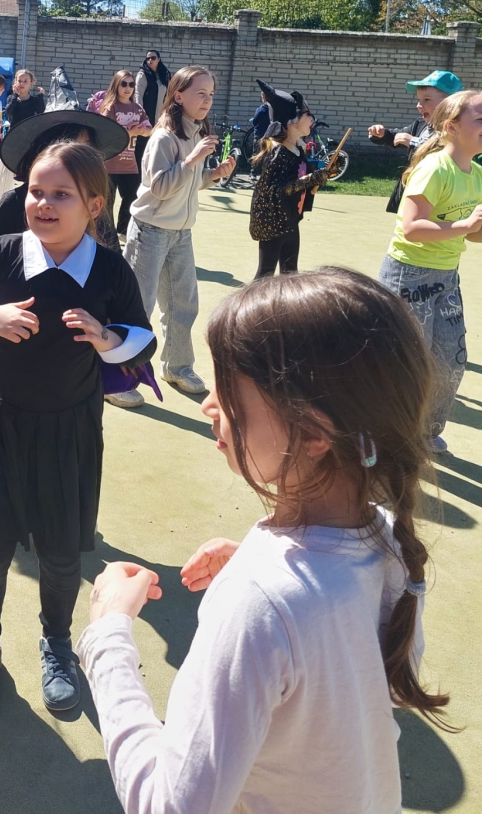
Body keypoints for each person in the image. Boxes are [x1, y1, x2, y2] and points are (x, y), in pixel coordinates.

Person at [78, 267, 449, 814]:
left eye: (228, 393)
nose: (208, 406)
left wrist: (108, 636)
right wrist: (260, 565)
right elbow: (379, 677)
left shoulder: (260, 601)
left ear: (313, 434)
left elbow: (170, 805)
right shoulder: (388, 534)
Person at [0, 141, 156, 726]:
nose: (44, 204)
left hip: (69, 431)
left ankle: (57, 644)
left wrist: (107, 337)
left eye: (62, 195)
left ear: (95, 205)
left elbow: (143, 339)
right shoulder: (2, 253)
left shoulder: (110, 268)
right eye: (36, 191)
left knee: (61, 555)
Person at [120, 67, 235, 407]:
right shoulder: (164, 138)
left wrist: (213, 174)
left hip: (181, 233)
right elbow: (160, 187)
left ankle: (177, 367)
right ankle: (117, 377)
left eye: (211, 94)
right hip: (150, 231)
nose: (207, 100)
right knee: (137, 305)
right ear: (179, 95)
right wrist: (194, 160)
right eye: (201, 93)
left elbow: (188, 182)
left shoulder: (196, 134)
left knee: (183, 304)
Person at [378, 88, 482, 453]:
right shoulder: (434, 169)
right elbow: (412, 227)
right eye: (480, 119)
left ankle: (424, 431)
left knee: (451, 359)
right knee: (407, 361)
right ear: (452, 127)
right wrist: (466, 225)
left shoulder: (477, 173)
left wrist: (474, 227)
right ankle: (387, 432)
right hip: (408, 276)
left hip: (446, 277)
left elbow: (473, 235)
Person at [0, 109, 127, 242]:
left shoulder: (92, 200)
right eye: (37, 193)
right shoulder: (14, 203)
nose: (44, 204)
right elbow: (0, 251)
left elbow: (111, 249)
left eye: (86, 149)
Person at [248, 79, 338, 278]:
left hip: (290, 220)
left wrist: (324, 174)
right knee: (265, 274)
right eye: (308, 114)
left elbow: (303, 180)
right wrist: (311, 179)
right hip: (274, 222)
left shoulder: (297, 148)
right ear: (293, 121)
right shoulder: (279, 152)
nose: (312, 119)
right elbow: (278, 189)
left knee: (290, 274)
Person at [368, 69, 463, 213]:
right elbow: (397, 137)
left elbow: (445, 151)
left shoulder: (458, 129)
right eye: (419, 100)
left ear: (450, 103)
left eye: (426, 100)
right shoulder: (420, 125)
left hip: (441, 195)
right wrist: (381, 134)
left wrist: (413, 142)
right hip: (414, 190)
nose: (419, 105)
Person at [88, 70, 153, 237]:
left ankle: (123, 231)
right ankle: (106, 235)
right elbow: (107, 132)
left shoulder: (137, 109)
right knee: (107, 203)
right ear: (116, 85)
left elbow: (149, 129)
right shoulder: (110, 107)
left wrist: (142, 130)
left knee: (132, 197)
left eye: (131, 84)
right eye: (124, 84)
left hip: (129, 165)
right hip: (109, 164)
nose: (128, 88)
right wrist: (131, 132)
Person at [0, 68, 45, 215]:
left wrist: (41, 96)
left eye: (25, 81)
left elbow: (41, 112)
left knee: (28, 172)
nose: (22, 83)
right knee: (4, 171)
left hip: (28, 140)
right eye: (19, 80)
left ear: (31, 83)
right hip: (12, 139)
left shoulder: (34, 100)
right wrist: (14, 95)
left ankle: (26, 203)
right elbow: (8, 112)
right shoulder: (12, 98)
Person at [133, 49, 171, 171]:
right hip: (146, 116)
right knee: (142, 146)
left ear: (159, 59)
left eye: (153, 58)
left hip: (159, 117)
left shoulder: (164, 74)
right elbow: (138, 95)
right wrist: (140, 115)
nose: (150, 60)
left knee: (155, 144)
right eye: (148, 58)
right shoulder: (143, 74)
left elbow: (168, 95)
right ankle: (139, 173)